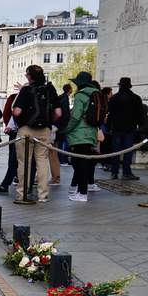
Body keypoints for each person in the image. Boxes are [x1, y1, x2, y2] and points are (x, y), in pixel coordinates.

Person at [12, 65, 61, 202]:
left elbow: (17, 112)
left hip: (26, 130)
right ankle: (43, 195)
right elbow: (58, 113)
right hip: (44, 130)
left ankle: (22, 194)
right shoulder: (50, 89)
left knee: (23, 163)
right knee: (42, 162)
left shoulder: (26, 90)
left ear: (29, 76)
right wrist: (49, 122)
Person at [64, 72, 99, 202]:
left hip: (79, 135)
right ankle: (80, 191)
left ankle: (82, 193)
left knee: (80, 164)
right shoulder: (96, 93)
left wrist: (66, 129)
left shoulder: (81, 95)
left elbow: (75, 116)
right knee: (83, 163)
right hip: (91, 133)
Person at [106, 77, 142, 180]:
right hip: (130, 128)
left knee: (116, 151)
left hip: (117, 128)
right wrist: (138, 124)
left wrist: (109, 127)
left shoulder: (114, 98)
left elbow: (110, 114)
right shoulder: (136, 98)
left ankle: (114, 172)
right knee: (128, 151)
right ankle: (126, 172)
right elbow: (140, 114)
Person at [0, 93, 18, 193]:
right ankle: (37, 190)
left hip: (19, 133)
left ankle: (6, 185)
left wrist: (9, 126)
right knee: (36, 162)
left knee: (13, 160)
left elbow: (9, 113)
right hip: (39, 133)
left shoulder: (17, 96)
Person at [54, 83, 72, 167]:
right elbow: (65, 113)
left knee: (60, 143)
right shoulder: (65, 99)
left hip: (59, 124)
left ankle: (61, 159)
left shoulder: (61, 97)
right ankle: (63, 160)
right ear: (69, 90)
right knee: (64, 142)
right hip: (64, 125)